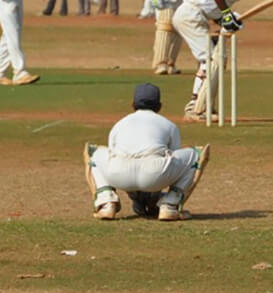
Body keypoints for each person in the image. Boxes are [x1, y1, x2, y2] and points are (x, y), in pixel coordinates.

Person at [82, 83, 210, 221]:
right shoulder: (169, 125)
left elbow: (115, 154)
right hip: (156, 175)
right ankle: (170, 205)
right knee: (196, 154)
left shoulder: (119, 124)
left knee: (92, 152)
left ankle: (106, 201)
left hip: (118, 175)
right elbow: (172, 158)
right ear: (159, 106)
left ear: (132, 104)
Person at [173, 0, 263, 121]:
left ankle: (200, 105)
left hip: (194, 14)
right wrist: (227, 14)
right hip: (191, 15)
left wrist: (226, 19)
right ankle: (196, 110)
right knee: (212, 60)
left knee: (212, 59)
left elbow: (212, 4)